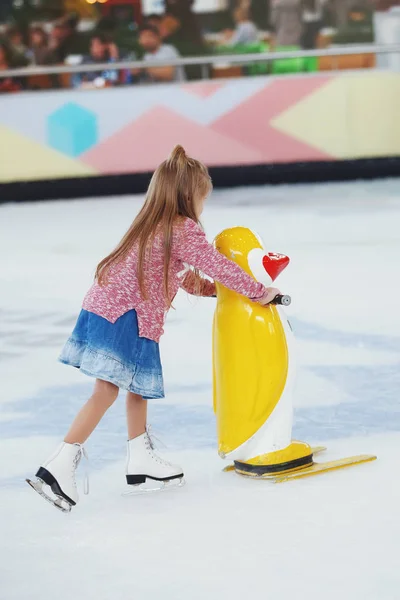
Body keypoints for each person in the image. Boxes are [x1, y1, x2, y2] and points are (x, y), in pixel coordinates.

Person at [26, 145, 281, 512]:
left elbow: (187, 278)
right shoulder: (183, 229)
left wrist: (217, 293)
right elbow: (217, 265)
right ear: (190, 195)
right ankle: (58, 467)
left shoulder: (153, 224)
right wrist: (258, 293)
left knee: (135, 388)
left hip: (108, 308)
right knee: (107, 391)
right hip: (127, 315)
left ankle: (140, 460)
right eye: (203, 198)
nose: (203, 206)